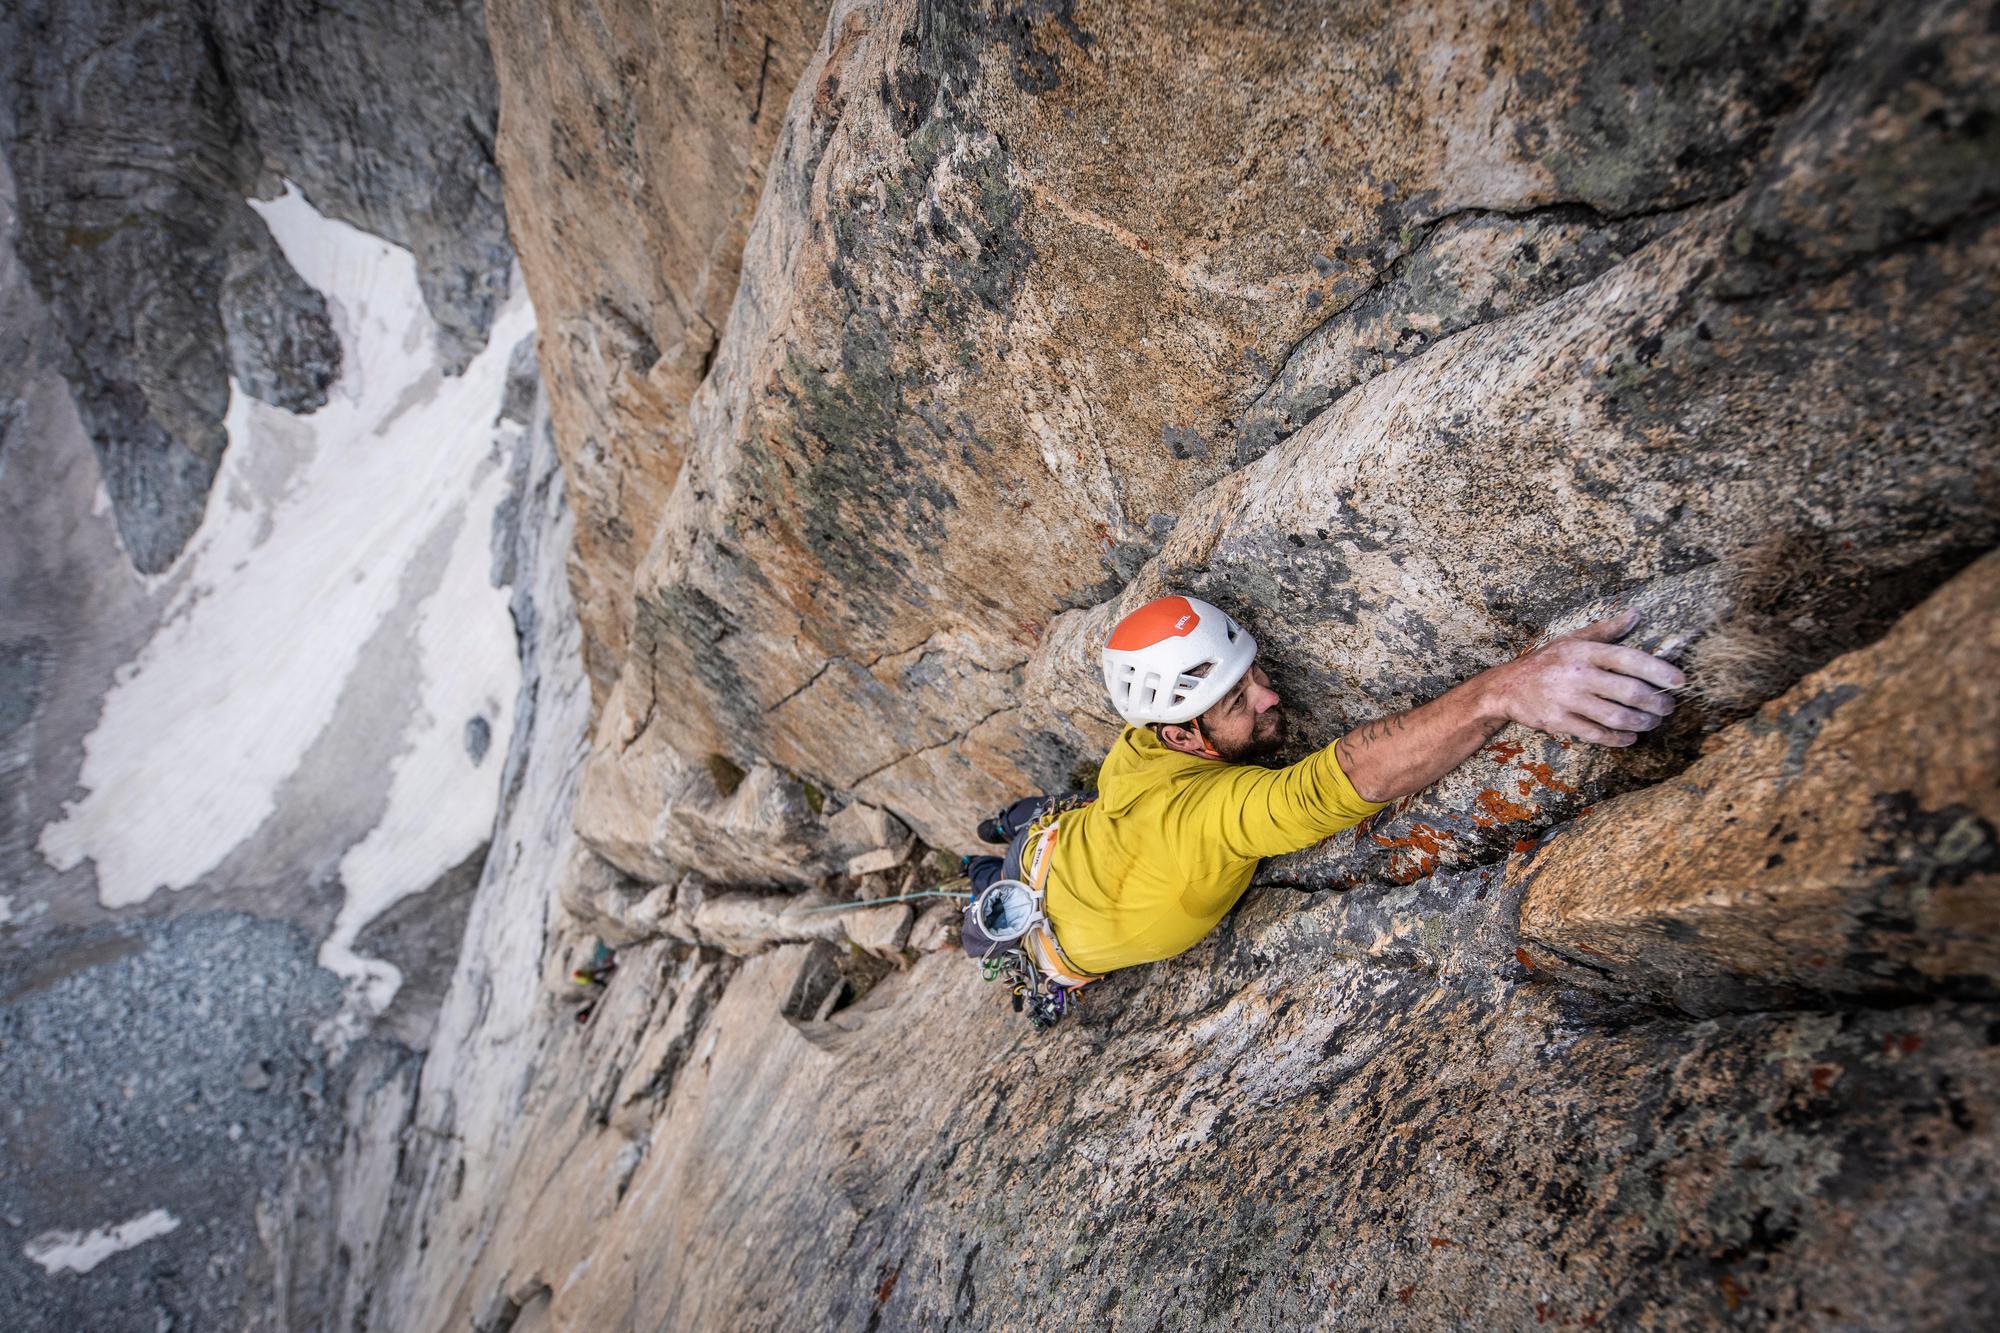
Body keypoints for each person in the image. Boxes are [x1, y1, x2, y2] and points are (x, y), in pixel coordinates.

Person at [962, 593, 1684, 984]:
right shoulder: (1202, 818)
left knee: (1022, 840)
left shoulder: (1142, 740)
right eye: (1238, 701)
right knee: (979, 920)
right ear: (1181, 735)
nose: (1270, 699)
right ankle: (987, 866)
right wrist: (1500, 693)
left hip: (1065, 841)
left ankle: (1005, 843)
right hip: (1043, 933)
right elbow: (1329, 784)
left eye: (1255, 676)